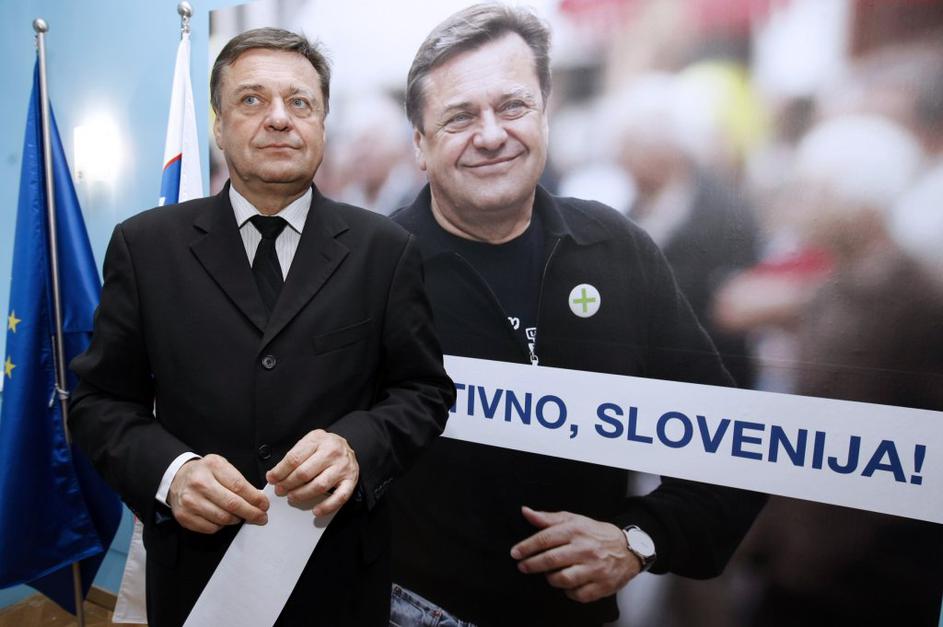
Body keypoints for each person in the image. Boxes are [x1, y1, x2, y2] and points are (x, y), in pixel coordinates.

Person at [387, 5, 766, 626]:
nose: (491, 134)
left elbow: (732, 446)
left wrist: (639, 539)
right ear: (420, 146)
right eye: (460, 116)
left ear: (546, 114)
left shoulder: (616, 250)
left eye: (513, 106)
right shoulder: (372, 273)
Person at [68, 28, 454, 627]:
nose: (279, 118)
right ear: (219, 127)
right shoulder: (145, 247)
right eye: (252, 99)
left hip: (339, 576)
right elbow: (98, 402)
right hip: (196, 573)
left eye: (300, 102)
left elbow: (424, 392)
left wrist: (358, 446)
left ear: (321, 124)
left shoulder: (386, 250)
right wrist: (172, 475)